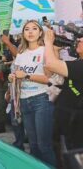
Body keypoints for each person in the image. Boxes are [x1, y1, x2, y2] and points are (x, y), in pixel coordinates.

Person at [9, 20, 55, 166]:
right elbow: (17, 74)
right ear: (23, 33)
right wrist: (13, 77)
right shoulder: (21, 54)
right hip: (23, 101)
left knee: (44, 146)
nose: (30, 32)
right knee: (33, 146)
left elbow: (50, 79)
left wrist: (27, 76)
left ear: (40, 32)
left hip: (42, 100)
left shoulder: (45, 51)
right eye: (27, 29)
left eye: (34, 28)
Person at [44, 29, 83, 164]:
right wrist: (55, 49)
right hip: (67, 121)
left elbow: (51, 64)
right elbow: (52, 73)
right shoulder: (77, 62)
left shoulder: (80, 66)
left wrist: (48, 42)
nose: (79, 40)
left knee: (73, 160)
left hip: (77, 127)